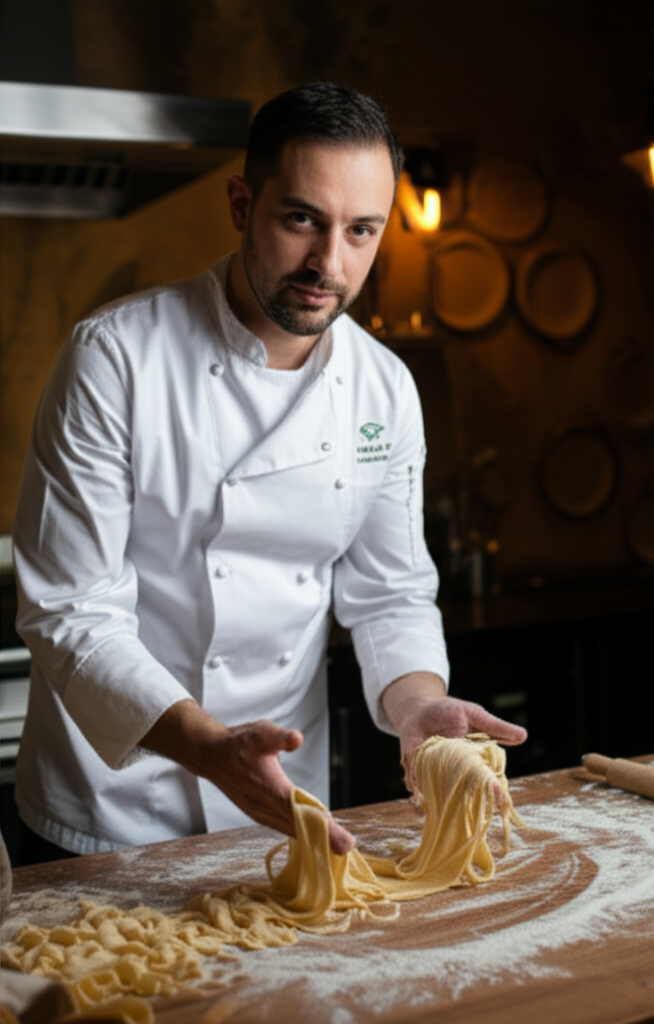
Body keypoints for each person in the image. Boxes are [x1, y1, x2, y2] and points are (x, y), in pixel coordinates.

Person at [12, 82, 526, 861]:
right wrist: (210, 749)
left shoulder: (385, 389)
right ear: (241, 204)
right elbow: (73, 612)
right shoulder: (114, 357)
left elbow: (389, 591)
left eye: (361, 231)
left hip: (277, 806)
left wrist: (418, 704)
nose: (330, 263)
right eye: (301, 220)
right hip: (108, 807)